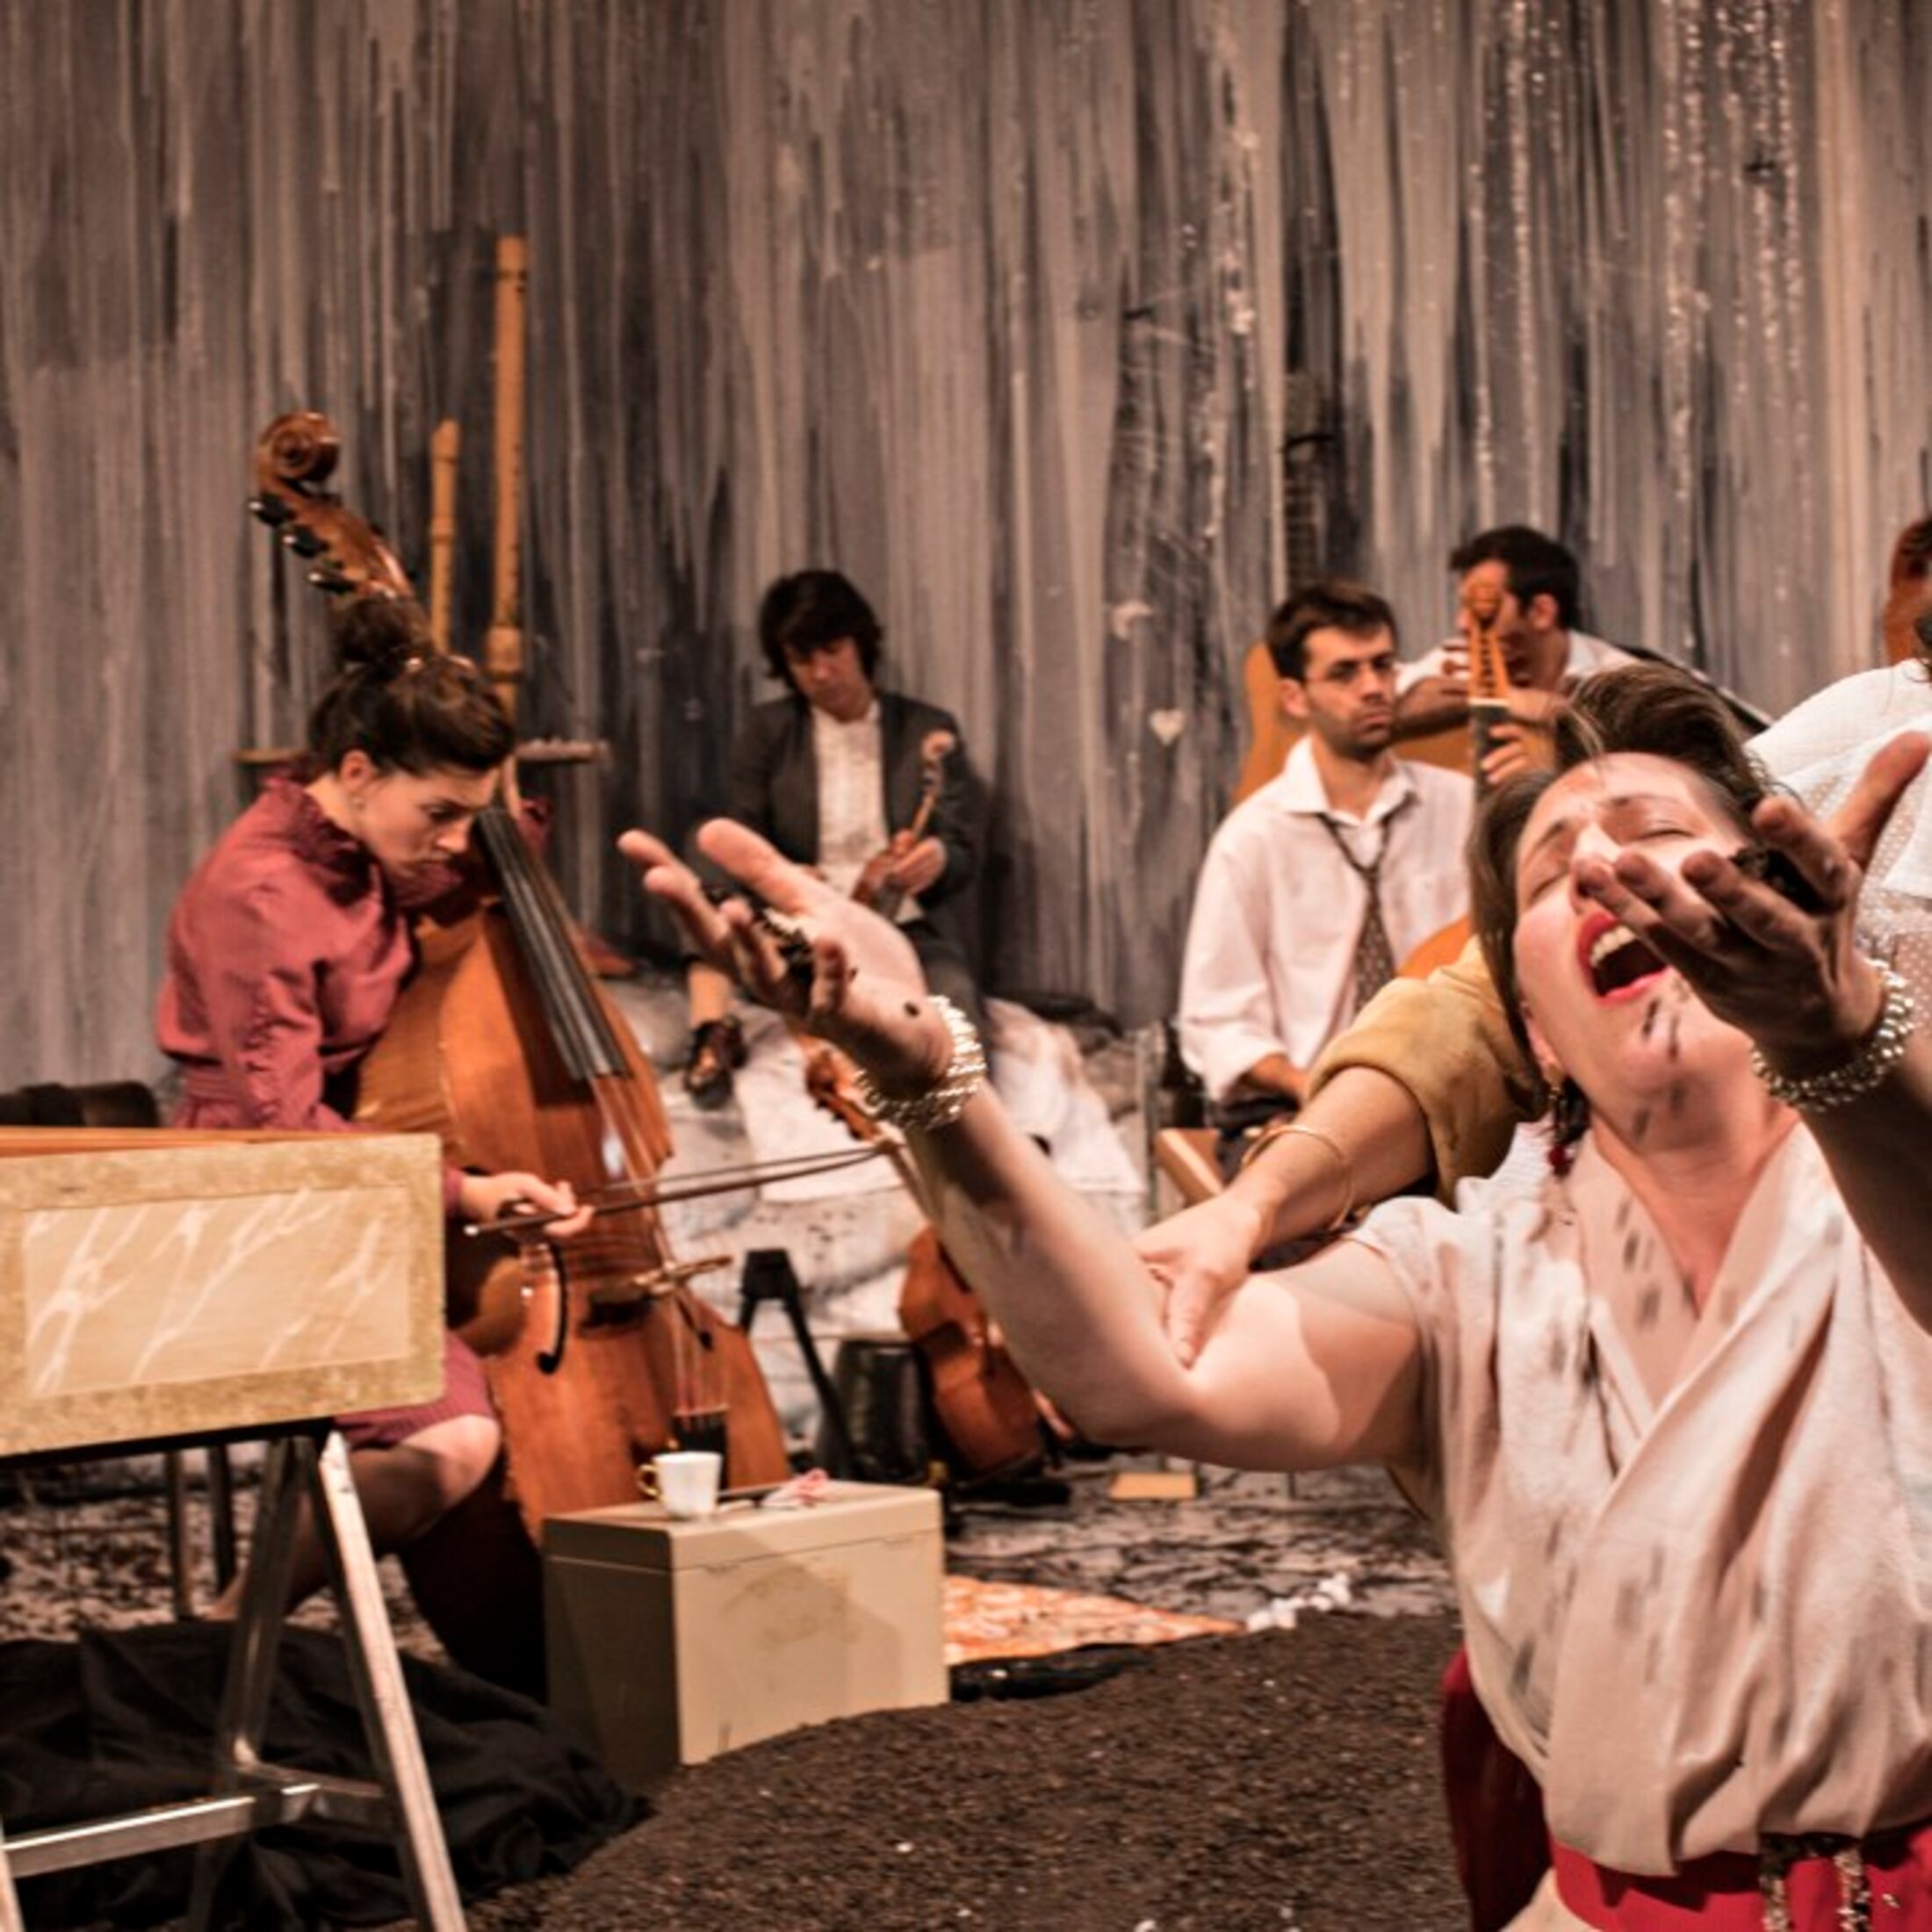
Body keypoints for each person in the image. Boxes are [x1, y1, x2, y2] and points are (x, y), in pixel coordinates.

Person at [624, 660, 1932, 1929]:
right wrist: (931, 1082)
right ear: (1526, 1025)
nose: (1605, 868)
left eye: (1658, 837)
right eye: (1553, 873)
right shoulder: (1468, 1275)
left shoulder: (1891, 1185)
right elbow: (1145, 1371)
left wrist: (1832, 1036)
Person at [157, 597, 590, 1610]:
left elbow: (463, 871)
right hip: (252, 1201)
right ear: (356, 771)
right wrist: (467, 1194)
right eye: (439, 813)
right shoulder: (262, 894)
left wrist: (484, 814)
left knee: (472, 1422)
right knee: (454, 1439)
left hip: (355, 1181)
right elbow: (282, 1130)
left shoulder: (368, 852)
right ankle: (231, 1635)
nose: (454, 839)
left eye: (465, 815)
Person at [1178, 580, 1472, 1172]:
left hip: (1440, 1097)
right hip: (1300, 1100)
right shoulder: (1253, 837)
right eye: (1344, 673)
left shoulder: (1461, 805)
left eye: (1382, 665)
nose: (1373, 687)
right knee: (1317, 1198)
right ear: (1294, 696)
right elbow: (1217, 1020)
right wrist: (1306, 1082)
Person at [682, 567, 984, 1107]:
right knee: (700, 850)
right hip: (805, 927)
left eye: (833, 650)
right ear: (785, 665)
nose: (822, 673)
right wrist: (784, 874)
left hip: (902, 928)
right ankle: (711, 1028)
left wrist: (938, 857)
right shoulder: (768, 731)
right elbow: (742, 832)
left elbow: (963, 848)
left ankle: (965, 1130)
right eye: (803, 660)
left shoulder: (926, 728)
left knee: (954, 999)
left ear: (860, 643)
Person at [1396, 525, 1633, 785]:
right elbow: (1388, 704)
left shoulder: (1618, 675)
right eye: (1465, 606)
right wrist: (1495, 697)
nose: (1463, 623)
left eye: (1485, 609)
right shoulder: (1461, 658)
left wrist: (1536, 710)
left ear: (1541, 612)